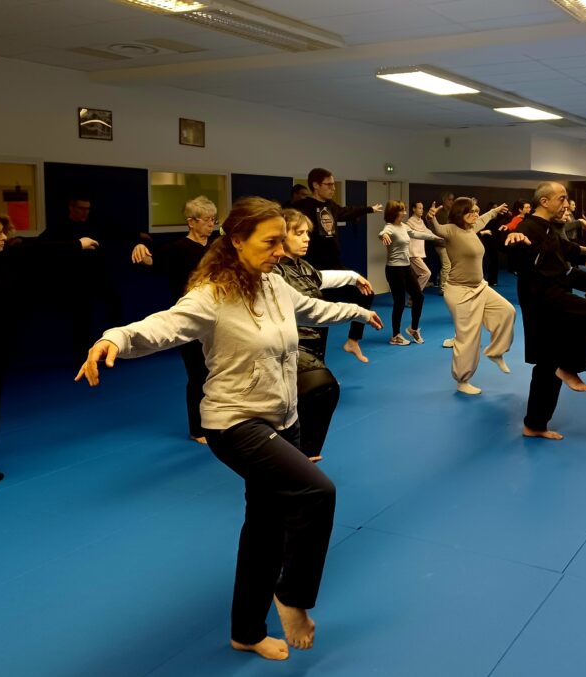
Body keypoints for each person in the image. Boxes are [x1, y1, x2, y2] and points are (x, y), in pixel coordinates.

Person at [76, 197, 382, 662]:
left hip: (284, 420)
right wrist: (114, 337)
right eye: (271, 242)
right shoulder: (212, 295)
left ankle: (247, 631)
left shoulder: (274, 283)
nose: (281, 250)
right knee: (317, 492)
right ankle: (293, 597)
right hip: (235, 422)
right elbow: (163, 327)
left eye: (283, 241)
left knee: (266, 529)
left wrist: (357, 312)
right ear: (236, 240)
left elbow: (310, 309)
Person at [0, 208, 98, 492]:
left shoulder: (5, 258)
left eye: (3, 232)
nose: (3, 238)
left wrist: (78, 244)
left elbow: (40, 250)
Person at [505, 181, 586, 440]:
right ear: (544, 201)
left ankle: (535, 424)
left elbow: (564, 247)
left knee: (547, 363)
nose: (566, 204)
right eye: (561, 198)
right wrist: (512, 239)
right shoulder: (527, 227)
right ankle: (569, 367)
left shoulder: (548, 227)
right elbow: (511, 246)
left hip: (554, 293)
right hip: (542, 298)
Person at [274, 209, 375, 461]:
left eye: (307, 233)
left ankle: (298, 456)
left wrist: (353, 277)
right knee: (319, 389)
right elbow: (308, 308)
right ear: (281, 236)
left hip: (315, 345)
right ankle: (300, 455)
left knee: (299, 401)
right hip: (291, 346)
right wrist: (356, 312)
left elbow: (321, 278)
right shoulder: (275, 272)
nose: (306, 238)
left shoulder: (302, 265)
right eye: (299, 233)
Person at [131, 196, 221, 443]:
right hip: (189, 318)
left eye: (213, 220)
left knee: (217, 372)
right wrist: (140, 247)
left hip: (217, 316)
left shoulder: (216, 248)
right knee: (198, 373)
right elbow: (151, 261)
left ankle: (219, 419)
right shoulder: (177, 249)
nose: (211, 224)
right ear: (191, 222)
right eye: (206, 220)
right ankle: (197, 429)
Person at [291, 168, 382, 363]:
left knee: (366, 293)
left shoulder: (331, 206)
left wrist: (369, 209)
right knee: (317, 322)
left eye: (334, 184)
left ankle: (353, 341)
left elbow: (347, 212)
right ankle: (316, 364)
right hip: (313, 269)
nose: (333, 188)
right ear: (315, 185)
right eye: (329, 185)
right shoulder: (303, 207)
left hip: (335, 266)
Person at [425, 198, 514, 395]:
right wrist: (430, 218)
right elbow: (437, 229)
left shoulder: (471, 228)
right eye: (470, 212)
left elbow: (483, 218)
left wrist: (496, 210)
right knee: (468, 338)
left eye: (476, 210)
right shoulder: (451, 230)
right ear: (460, 214)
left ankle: (496, 352)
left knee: (507, 311)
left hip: (479, 287)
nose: (475, 214)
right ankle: (462, 380)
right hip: (459, 292)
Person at [40, 195, 131, 363]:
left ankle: (115, 347)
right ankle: (83, 356)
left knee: (115, 305)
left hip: (98, 276)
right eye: (81, 208)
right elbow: (42, 244)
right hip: (76, 280)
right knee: (82, 317)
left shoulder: (94, 225)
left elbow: (117, 232)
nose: (85, 212)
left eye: (87, 209)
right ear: (71, 208)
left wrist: (138, 237)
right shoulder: (59, 227)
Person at [378, 201, 443, 345]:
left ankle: (413, 329)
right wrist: (383, 236)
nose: (405, 213)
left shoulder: (404, 226)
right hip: (394, 270)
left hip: (406, 268)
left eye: (405, 210)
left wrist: (435, 237)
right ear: (394, 212)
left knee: (418, 297)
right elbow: (382, 233)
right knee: (400, 302)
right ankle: (395, 336)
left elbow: (416, 234)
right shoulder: (389, 227)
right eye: (402, 210)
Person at [404, 200, 434, 290]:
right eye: (419, 208)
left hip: (419, 253)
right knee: (426, 273)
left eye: (422, 208)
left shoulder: (420, 221)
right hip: (413, 253)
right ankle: (415, 295)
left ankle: (414, 295)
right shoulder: (410, 222)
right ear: (414, 209)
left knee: (418, 275)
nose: (422, 210)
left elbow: (427, 231)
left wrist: (438, 236)